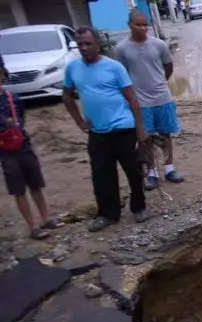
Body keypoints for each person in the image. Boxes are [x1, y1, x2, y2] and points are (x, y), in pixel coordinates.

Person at [62, 26, 150, 232]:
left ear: (97, 44)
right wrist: (80, 122)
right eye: (79, 44)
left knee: (134, 171)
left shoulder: (114, 67)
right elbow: (67, 96)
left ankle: (139, 207)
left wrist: (140, 128)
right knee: (101, 174)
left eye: (87, 43)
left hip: (123, 128)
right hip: (97, 132)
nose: (83, 48)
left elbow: (132, 97)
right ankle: (108, 214)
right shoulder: (73, 68)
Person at [117, 9, 185, 191]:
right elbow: (122, 75)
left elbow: (168, 66)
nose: (142, 28)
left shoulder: (159, 44)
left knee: (165, 134)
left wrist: (160, 82)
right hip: (140, 101)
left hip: (162, 97)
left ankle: (170, 168)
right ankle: (153, 172)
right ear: (129, 25)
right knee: (145, 138)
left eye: (144, 24)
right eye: (137, 24)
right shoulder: (122, 49)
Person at [0, 65, 60, 240]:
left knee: (35, 183)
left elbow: (21, 120)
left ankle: (46, 218)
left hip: (23, 145)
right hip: (5, 151)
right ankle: (33, 226)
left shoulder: (14, 99)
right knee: (18, 189)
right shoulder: (13, 99)